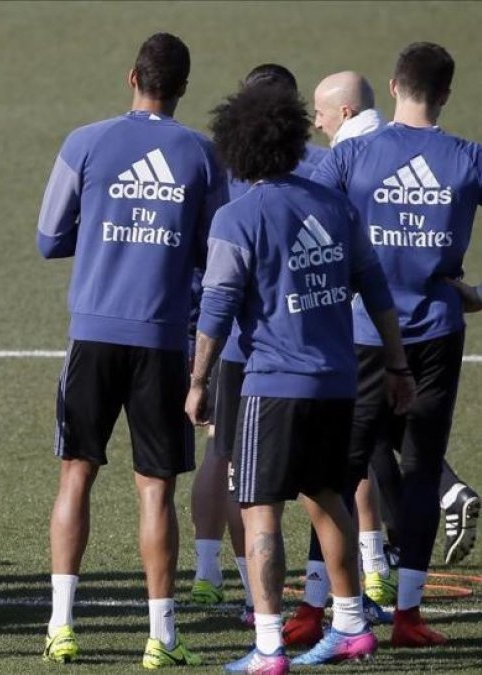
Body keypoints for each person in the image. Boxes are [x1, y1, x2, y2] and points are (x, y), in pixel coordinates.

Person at [191, 80, 414, 672]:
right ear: (292, 140)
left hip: (273, 385)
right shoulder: (335, 205)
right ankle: (348, 624)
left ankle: (268, 645)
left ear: (235, 147)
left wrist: (198, 381)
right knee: (326, 500)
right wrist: (397, 364)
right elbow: (377, 291)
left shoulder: (239, 217)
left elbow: (216, 310)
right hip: (338, 385)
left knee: (261, 508)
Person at [36, 33, 224, 667]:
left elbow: (46, 236)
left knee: (76, 474)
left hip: (92, 335)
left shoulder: (84, 142)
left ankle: (61, 626)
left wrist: (104, 232)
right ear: (182, 88)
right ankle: (162, 639)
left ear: (131, 77)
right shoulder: (201, 153)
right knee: (156, 491)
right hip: (164, 341)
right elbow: (217, 255)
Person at [310, 41, 482, 648]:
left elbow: (308, 218)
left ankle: (318, 607)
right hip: (436, 330)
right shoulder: (468, 158)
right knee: (421, 468)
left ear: (392, 86)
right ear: (447, 94)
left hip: (359, 331)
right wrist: (478, 292)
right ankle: (408, 615)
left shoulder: (353, 154)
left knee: (338, 467)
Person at [190, 64, 327, 626]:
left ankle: (222, 580)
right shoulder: (319, 169)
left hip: (234, 349)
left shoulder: (220, 165)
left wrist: (195, 370)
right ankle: (338, 604)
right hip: (306, 350)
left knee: (229, 463)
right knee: (324, 485)